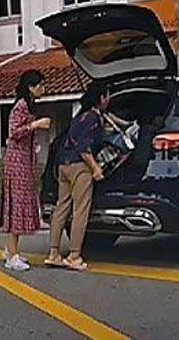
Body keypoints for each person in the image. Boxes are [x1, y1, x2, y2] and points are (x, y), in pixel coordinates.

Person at [44, 82, 110, 272]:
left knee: (61, 207)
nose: (109, 99)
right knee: (80, 210)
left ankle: (54, 253)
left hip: (63, 165)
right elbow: (84, 148)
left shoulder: (79, 117)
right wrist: (96, 169)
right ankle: (74, 255)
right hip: (80, 167)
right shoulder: (93, 119)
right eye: (107, 95)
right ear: (101, 98)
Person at [0, 69, 51, 271]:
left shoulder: (27, 105)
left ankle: (9, 249)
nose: (43, 89)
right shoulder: (20, 106)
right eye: (40, 86)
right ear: (31, 87)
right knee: (16, 207)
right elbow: (14, 133)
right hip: (17, 162)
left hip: (24, 161)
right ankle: (12, 255)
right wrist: (35, 125)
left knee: (18, 206)